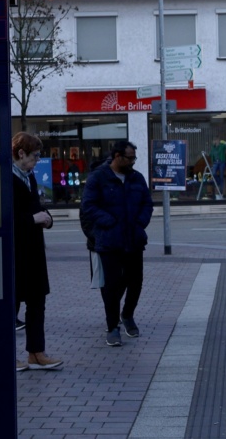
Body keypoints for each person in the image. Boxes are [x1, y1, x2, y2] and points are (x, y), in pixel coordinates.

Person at [79, 140, 154, 347]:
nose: (133, 162)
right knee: (111, 286)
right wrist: (109, 223)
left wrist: (140, 223)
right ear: (117, 156)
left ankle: (127, 315)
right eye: (129, 158)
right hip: (109, 242)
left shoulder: (136, 178)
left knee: (135, 281)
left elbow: (147, 203)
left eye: (134, 158)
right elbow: (88, 206)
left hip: (134, 239)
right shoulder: (98, 178)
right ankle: (112, 327)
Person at [12, 132, 63, 371]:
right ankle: (8, 354)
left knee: (36, 301)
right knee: (12, 304)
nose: (37, 161)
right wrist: (33, 218)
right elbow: (5, 218)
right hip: (15, 251)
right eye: (34, 156)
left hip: (33, 250)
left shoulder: (28, 176)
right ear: (20, 153)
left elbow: (37, 206)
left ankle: (36, 352)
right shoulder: (6, 177)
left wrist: (47, 219)